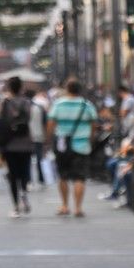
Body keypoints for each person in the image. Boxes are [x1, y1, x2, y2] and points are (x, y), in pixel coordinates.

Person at [47, 78, 98, 218]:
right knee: (79, 177)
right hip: (82, 145)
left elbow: (51, 123)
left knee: (62, 176)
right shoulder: (87, 105)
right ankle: (78, 208)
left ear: (67, 89)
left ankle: (64, 205)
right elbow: (94, 124)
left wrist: (50, 139)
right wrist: (90, 138)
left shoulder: (58, 104)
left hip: (62, 145)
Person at [0, 77, 34, 218]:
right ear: (21, 87)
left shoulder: (5, 103)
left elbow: (1, 121)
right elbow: (30, 118)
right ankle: (24, 191)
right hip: (25, 142)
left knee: (13, 175)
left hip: (10, 144)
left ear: (9, 88)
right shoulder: (27, 102)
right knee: (25, 170)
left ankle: (16, 206)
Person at [26, 88, 48, 189]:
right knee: (39, 159)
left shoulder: (23, 108)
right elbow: (45, 123)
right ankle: (41, 179)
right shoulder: (39, 108)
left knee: (27, 161)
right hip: (39, 136)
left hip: (27, 137)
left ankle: (28, 180)